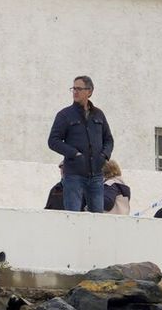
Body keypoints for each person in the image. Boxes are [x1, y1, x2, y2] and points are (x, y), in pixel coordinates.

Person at [46, 75, 114, 213]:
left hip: (96, 175)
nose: (75, 92)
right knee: (73, 216)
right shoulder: (65, 115)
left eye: (79, 89)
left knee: (97, 217)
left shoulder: (99, 115)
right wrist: (74, 154)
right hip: (73, 175)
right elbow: (53, 141)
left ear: (89, 91)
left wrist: (104, 156)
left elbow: (109, 139)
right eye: (73, 88)